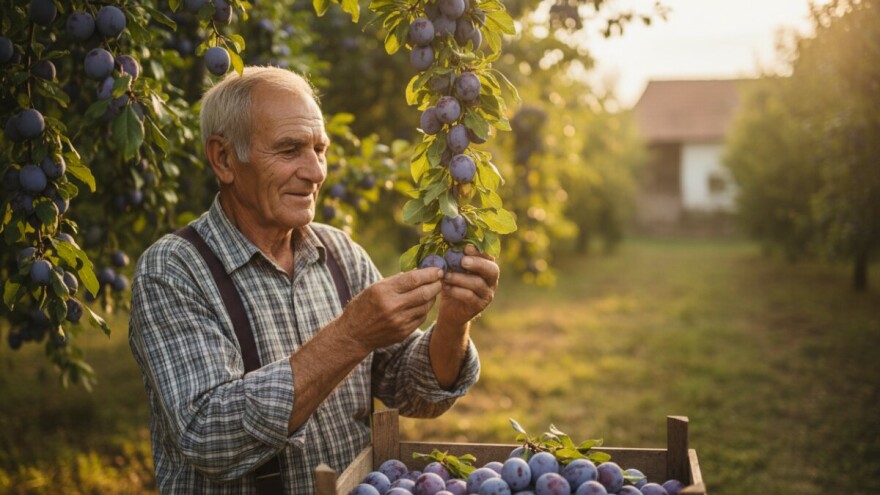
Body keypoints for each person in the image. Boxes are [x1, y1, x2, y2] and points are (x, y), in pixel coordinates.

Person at [128, 66, 500, 494]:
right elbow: (210, 437)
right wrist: (351, 335)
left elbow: (413, 392)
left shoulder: (339, 253)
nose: (316, 172)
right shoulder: (173, 270)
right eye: (289, 150)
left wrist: (454, 321)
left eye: (319, 149)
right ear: (224, 159)